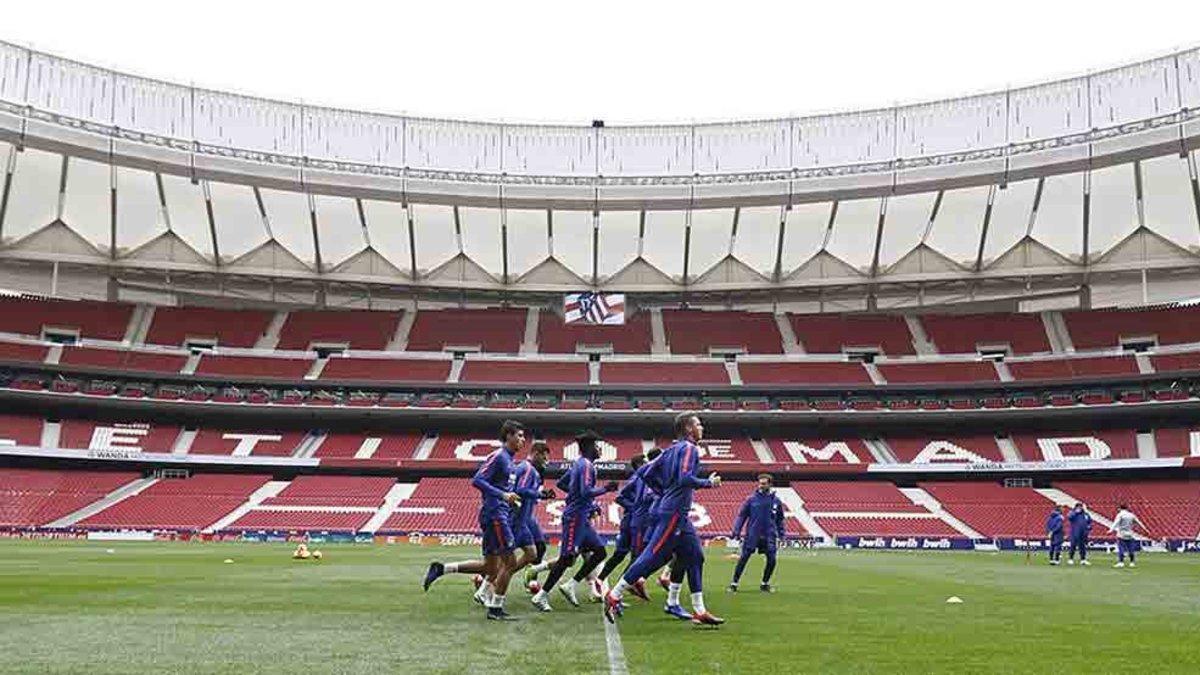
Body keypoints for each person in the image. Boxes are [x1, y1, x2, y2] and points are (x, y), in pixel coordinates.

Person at [605, 412, 725, 626]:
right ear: (688, 429)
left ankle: (696, 609)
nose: (702, 428)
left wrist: (663, 491)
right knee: (652, 555)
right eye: (698, 424)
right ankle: (614, 595)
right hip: (674, 512)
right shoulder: (689, 449)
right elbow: (684, 478)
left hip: (677, 513)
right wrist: (709, 483)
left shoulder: (670, 450)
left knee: (695, 556)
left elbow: (645, 472)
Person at [422, 420, 524, 620]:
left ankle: (442, 568)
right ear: (508, 436)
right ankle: (495, 609)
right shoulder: (499, 456)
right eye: (519, 435)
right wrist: (503, 496)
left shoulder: (510, 461)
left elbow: (500, 488)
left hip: (499, 513)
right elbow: (477, 480)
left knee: (491, 567)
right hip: (495, 515)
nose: (523, 440)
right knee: (510, 562)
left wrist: (511, 500)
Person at [531, 430, 617, 612]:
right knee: (566, 558)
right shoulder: (586, 465)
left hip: (582, 517)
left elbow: (562, 483)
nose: (599, 449)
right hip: (575, 518)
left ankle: (571, 584)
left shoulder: (579, 464)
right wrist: (606, 489)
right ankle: (541, 595)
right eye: (596, 445)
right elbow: (585, 491)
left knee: (600, 552)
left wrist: (579, 497)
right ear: (589, 447)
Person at [728, 473, 786, 591]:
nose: (761, 486)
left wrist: (782, 535)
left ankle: (765, 583)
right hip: (753, 534)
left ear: (770, 484)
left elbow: (780, 520)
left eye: (764, 484)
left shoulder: (776, 501)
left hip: (769, 535)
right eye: (760, 483)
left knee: (772, 560)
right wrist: (736, 530)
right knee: (744, 558)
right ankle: (734, 583)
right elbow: (742, 515)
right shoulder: (751, 500)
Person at [1109, 503, 1144, 568]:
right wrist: (1145, 529)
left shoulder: (1120, 515)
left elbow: (1116, 523)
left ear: (1120, 508)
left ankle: (1121, 562)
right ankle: (1132, 562)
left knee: (1121, 548)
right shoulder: (1131, 515)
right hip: (1130, 534)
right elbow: (1138, 522)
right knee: (1131, 549)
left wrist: (1110, 530)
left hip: (1121, 534)